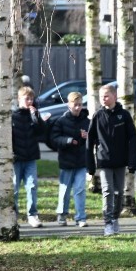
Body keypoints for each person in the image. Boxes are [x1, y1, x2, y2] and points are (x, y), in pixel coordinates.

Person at [86, 83, 136, 236]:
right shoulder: (97, 116)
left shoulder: (124, 115)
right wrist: (90, 166)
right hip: (104, 161)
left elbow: (133, 138)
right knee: (107, 190)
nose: (103, 99)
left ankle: (115, 218)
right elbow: (90, 141)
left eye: (106, 96)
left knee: (119, 192)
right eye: (101, 97)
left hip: (120, 161)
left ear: (114, 96)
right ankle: (108, 222)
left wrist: (132, 163)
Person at [50, 91, 89, 228]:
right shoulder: (60, 121)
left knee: (80, 189)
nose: (78, 108)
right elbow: (54, 139)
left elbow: (93, 139)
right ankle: (62, 214)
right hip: (66, 161)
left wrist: (86, 137)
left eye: (80, 105)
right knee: (65, 190)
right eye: (75, 105)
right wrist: (68, 140)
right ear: (69, 105)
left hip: (81, 161)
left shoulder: (87, 121)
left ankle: (81, 217)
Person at [12, 85, 47, 228]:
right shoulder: (12, 116)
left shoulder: (34, 115)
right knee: (14, 188)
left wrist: (36, 116)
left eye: (32, 99)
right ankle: (13, 216)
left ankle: (32, 215)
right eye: (27, 98)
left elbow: (42, 132)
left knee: (32, 186)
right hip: (16, 159)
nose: (30, 101)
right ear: (19, 99)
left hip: (30, 157)